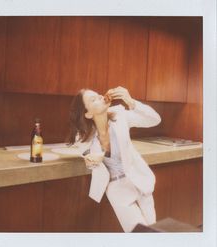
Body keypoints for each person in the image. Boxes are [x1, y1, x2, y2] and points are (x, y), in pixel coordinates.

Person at [68, 86, 161, 232]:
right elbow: (90, 159)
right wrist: (90, 161)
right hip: (117, 188)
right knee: (141, 234)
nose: (100, 97)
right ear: (88, 114)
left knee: (155, 231)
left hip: (140, 180)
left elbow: (155, 119)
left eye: (98, 95)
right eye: (93, 100)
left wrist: (131, 102)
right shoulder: (82, 138)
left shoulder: (120, 115)